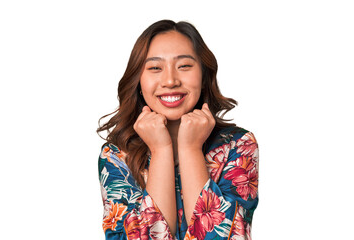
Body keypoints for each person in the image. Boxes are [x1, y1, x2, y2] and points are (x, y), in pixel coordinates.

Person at [97, 19, 259, 240]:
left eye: (184, 66)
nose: (170, 80)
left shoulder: (238, 145)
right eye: (155, 68)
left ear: (203, 76)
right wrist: (161, 149)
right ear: (139, 82)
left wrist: (190, 148)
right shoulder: (116, 155)